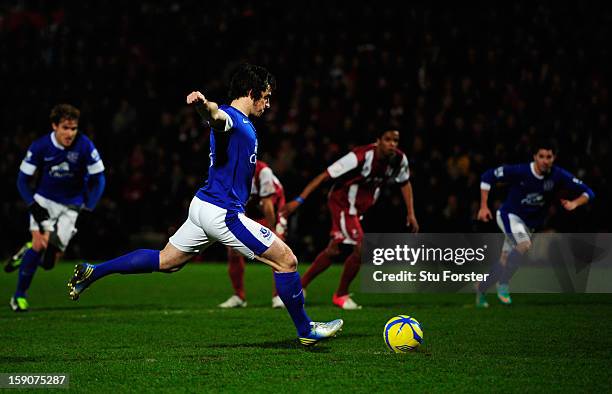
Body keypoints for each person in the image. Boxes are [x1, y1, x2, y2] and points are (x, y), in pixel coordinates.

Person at [67, 64, 342, 346]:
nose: (268, 103)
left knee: (166, 261)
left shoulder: (243, 123)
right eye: (266, 96)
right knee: (287, 261)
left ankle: (94, 271)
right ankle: (306, 330)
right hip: (223, 213)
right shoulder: (233, 118)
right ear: (251, 93)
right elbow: (216, 116)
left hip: (203, 206)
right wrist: (202, 105)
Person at [283, 129, 419, 310]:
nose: (392, 144)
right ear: (378, 140)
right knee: (361, 247)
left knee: (333, 250)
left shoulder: (399, 160)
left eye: (396, 140)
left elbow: (404, 182)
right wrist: (299, 200)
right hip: (342, 204)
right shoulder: (359, 156)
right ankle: (341, 295)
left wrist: (411, 213)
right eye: (388, 139)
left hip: (359, 208)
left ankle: (299, 286)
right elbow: (325, 175)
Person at [8, 103, 106, 312]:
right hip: (45, 201)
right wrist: (33, 205)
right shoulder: (40, 146)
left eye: (73, 128)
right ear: (54, 126)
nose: (70, 133)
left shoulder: (85, 145)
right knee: (39, 244)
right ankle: (19, 296)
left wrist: (89, 208)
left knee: (49, 263)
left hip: (72, 206)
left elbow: (100, 178)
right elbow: (22, 181)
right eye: (65, 128)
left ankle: (26, 252)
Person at [475, 140, 595, 307]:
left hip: (528, 224)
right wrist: (483, 207)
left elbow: (589, 192)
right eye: (541, 156)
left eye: (549, 156)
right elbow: (487, 176)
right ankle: (503, 284)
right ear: (534, 157)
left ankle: (481, 288)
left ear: (554, 158)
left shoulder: (558, 174)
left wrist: (574, 203)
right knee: (524, 244)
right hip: (510, 216)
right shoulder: (520, 171)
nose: (545, 160)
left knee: (504, 260)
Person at [219, 160, 287, 309]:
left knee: (277, 250)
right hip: (250, 210)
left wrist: (273, 232)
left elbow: (268, 205)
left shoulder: (263, 172)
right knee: (233, 250)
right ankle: (239, 296)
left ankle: (280, 296)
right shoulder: (229, 172)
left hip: (273, 209)